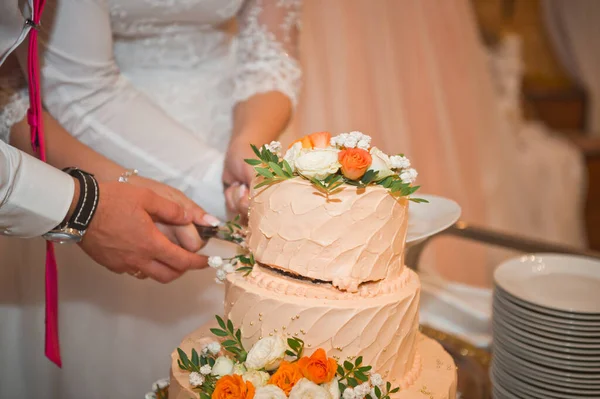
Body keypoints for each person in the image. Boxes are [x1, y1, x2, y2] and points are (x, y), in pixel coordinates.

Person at [0, 0, 301, 397]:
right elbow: (74, 86)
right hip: (89, 146)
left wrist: (249, 145)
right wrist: (209, 185)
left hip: (224, 124)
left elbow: (268, 52)